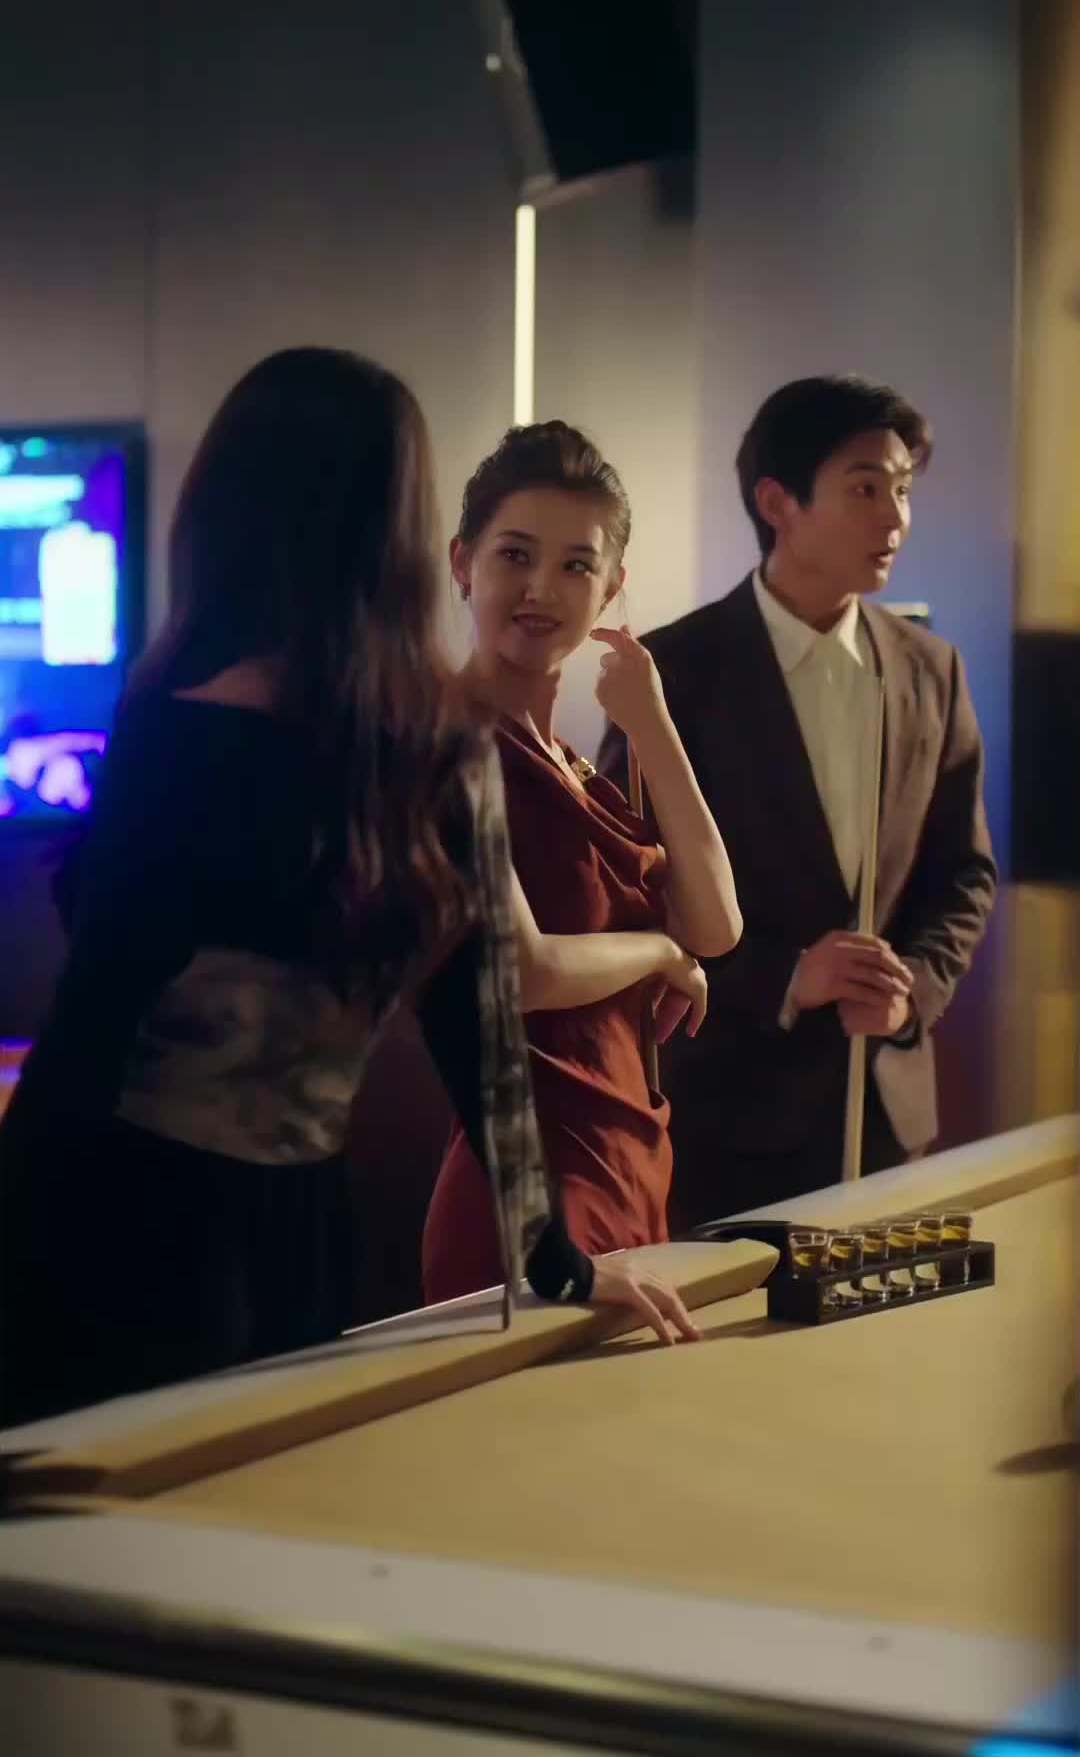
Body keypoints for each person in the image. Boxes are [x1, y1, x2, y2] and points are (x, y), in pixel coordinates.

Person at [0, 351, 700, 1430]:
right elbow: (483, 1037)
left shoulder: (181, 724)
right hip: (293, 1233)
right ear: (405, 531)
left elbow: (87, 1037)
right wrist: (554, 1259)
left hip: (141, 1227)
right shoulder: (439, 748)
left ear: (227, 511)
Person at [598, 374, 997, 1224]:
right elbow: (634, 896)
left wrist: (913, 993)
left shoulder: (932, 668)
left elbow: (965, 874)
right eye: (865, 489)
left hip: (887, 1113)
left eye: (903, 490)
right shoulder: (675, 673)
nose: (895, 519)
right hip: (730, 1121)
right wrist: (785, 976)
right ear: (777, 502)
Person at [422, 423, 742, 1302]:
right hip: (532, 1191)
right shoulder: (448, 744)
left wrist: (653, 725)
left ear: (612, 586)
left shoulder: (575, 763)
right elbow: (521, 972)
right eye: (515, 556)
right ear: (463, 562)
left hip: (632, 1159)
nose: (541, 589)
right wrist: (660, 953)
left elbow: (717, 924)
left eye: (575, 565)